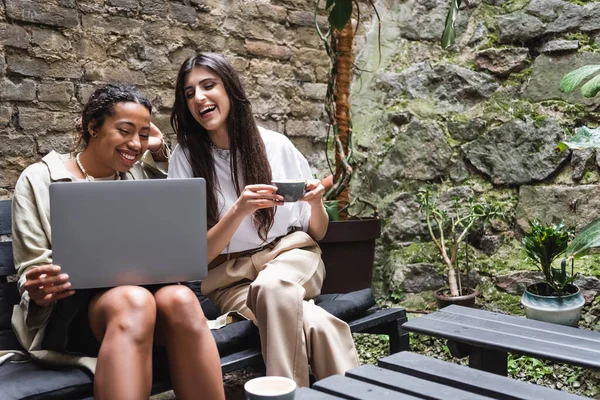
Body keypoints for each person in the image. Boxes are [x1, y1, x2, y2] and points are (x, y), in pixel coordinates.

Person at [10, 83, 225, 400]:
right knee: (133, 300)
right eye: (125, 130)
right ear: (92, 127)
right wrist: (39, 287)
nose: (135, 143)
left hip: (148, 302)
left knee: (181, 299)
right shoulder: (40, 178)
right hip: (75, 314)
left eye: (142, 133)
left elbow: (175, 203)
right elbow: (32, 268)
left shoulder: (138, 173)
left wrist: (157, 148)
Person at [168, 52, 360, 387]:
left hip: (292, 256)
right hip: (231, 279)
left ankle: (286, 395)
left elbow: (316, 232)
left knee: (272, 286)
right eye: (189, 93)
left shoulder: (276, 145)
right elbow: (193, 260)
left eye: (208, 85)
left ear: (229, 89)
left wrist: (316, 204)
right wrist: (239, 210)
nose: (199, 97)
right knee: (315, 322)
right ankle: (355, 392)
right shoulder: (185, 158)